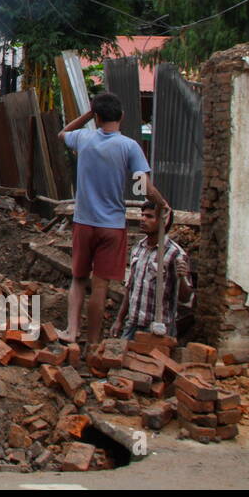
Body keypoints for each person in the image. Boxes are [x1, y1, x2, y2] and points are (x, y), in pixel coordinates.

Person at [57, 91, 169, 345]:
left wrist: (88, 114)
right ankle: (94, 343)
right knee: (100, 286)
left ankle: (72, 332)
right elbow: (143, 186)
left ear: (95, 117)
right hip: (112, 226)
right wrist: (162, 203)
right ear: (122, 116)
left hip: (84, 222)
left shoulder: (83, 138)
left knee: (78, 279)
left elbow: (62, 133)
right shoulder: (129, 146)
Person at [112, 201, 193, 339]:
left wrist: (182, 277)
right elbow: (130, 288)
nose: (143, 219)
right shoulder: (138, 248)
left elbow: (186, 298)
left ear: (164, 222)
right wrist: (119, 319)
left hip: (158, 329)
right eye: (142, 215)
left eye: (149, 216)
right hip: (132, 324)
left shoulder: (175, 254)